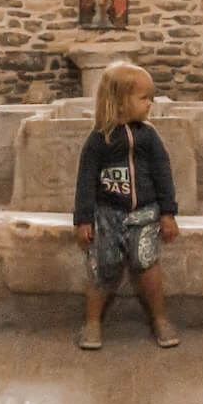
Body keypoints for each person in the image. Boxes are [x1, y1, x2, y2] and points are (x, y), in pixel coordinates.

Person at [73, 61, 180, 350]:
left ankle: (160, 318)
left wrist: (168, 213)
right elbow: (85, 180)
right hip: (107, 214)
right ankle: (93, 322)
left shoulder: (149, 136)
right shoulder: (98, 140)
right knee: (101, 267)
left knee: (146, 263)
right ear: (119, 101)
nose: (150, 104)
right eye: (144, 97)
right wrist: (83, 219)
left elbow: (162, 173)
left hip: (145, 213)